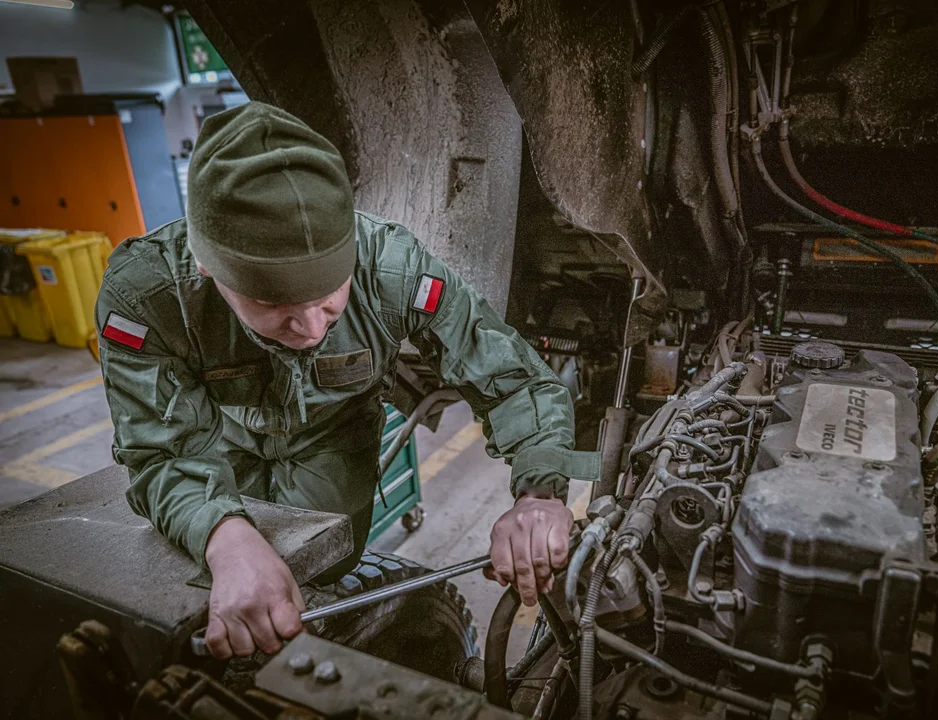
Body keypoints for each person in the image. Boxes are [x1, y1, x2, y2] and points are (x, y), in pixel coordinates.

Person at [95, 102, 598, 660]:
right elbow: (161, 454)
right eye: (273, 303)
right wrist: (225, 538)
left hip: (333, 458)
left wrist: (539, 494)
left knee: (325, 592)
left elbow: (516, 381)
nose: (311, 328)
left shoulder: (394, 270)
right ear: (209, 269)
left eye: (329, 296)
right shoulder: (147, 299)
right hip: (216, 461)